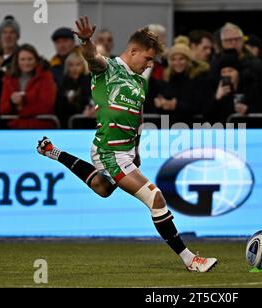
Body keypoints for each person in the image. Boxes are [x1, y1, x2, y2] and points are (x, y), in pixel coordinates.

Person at [36, 16, 218, 272]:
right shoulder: (108, 69)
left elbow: (138, 116)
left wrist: (136, 149)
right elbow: (91, 57)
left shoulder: (138, 82)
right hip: (108, 152)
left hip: (124, 150)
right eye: (147, 58)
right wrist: (87, 41)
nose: (150, 64)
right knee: (155, 197)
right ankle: (191, 260)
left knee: (102, 188)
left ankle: (54, 152)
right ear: (133, 51)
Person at [146, 36, 211, 123]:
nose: (177, 62)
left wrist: (176, 105)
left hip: (193, 128)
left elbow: (199, 105)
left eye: (181, 59)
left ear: (188, 60)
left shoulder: (199, 79)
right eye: (173, 59)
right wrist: (161, 104)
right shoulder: (168, 79)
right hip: (171, 128)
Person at [0, 44, 57, 129]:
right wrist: (11, 102)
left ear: (36, 60)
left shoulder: (45, 77)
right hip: (15, 127)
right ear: (17, 61)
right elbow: (3, 108)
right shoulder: (8, 79)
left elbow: (46, 106)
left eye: (30, 59)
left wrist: (21, 111)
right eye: (22, 59)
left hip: (40, 126)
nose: (26, 63)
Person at [206, 49, 261, 124]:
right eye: (223, 72)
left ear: (238, 73)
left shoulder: (250, 87)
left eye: (230, 71)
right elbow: (207, 115)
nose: (227, 74)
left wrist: (247, 110)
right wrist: (217, 98)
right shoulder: (216, 89)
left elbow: (261, 108)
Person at [55, 51, 93, 129]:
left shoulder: (89, 81)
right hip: (67, 124)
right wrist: (68, 101)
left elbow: (90, 99)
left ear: (83, 66)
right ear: (67, 67)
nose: (74, 68)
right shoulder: (63, 83)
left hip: (87, 124)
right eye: (71, 65)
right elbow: (58, 106)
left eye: (78, 64)